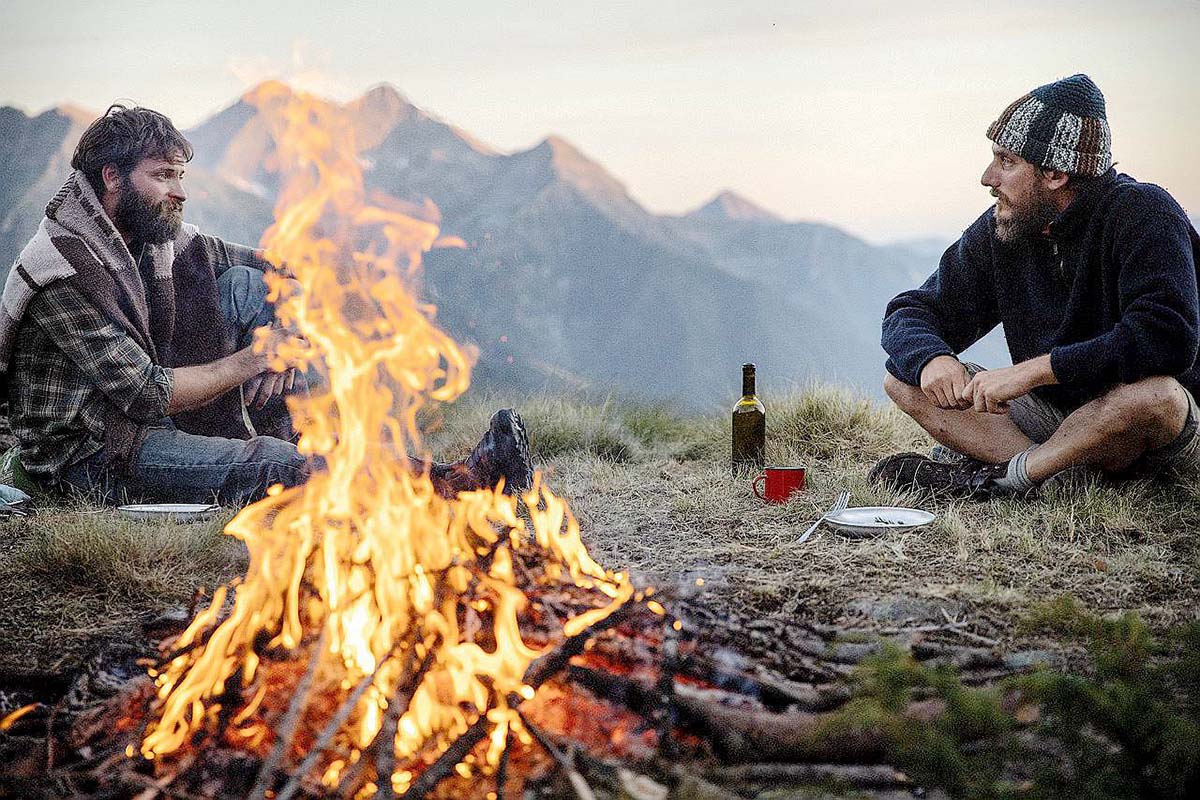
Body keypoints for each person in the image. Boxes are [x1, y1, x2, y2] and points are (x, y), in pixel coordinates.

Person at [0, 104, 532, 506]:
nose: (180, 192)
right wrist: (256, 359)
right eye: (163, 176)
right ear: (111, 178)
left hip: (137, 414)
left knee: (246, 287)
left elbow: (270, 266)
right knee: (267, 465)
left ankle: (309, 434)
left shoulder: (143, 236)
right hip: (92, 453)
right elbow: (147, 394)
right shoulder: (65, 273)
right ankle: (452, 485)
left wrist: (293, 315)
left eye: (180, 175)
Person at [872, 74, 1200, 499]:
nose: (988, 177)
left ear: (1055, 174)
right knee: (903, 377)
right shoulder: (1004, 229)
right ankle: (1049, 481)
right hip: (1056, 420)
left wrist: (1031, 372)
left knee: (1156, 397)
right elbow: (910, 312)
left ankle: (1006, 478)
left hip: (1152, 427)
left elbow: (1167, 339)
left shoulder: (1144, 213)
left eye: (1006, 161)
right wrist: (932, 358)